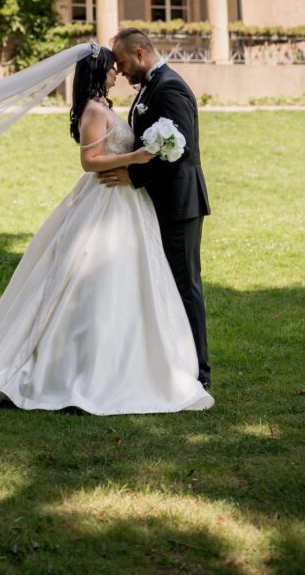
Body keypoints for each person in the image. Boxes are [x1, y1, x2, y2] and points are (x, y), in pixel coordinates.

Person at [0, 43, 213, 414]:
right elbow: (89, 161)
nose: (118, 73)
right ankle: (95, 365)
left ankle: (162, 359)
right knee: (97, 280)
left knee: (142, 280)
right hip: (109, 200)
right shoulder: (95, 109)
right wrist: (134, 159)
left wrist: (135, 166)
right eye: (112, 68)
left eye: (120, 65)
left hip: (129, 202)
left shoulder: (117, 101)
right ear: (98, 72)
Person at [110, 27, 211, 390]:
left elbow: (177, 149)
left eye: (121, 63)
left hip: (180, 203)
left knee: (185, 285)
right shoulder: (148, 89)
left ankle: (199, 371)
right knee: (165, 284)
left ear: (139, 54)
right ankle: (172, 361)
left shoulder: (170, 87)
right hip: (158, 202)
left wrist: (132, 175)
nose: (119, 72)